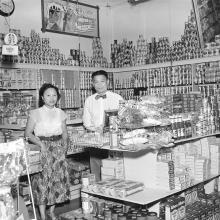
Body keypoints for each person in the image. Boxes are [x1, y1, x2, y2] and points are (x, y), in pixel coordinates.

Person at [25, 83, 70, 220]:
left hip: (58, 149)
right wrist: (40, 144)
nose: (51, 98)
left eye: (54, 95)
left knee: (57, 181)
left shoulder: (61, 113)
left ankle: (52, 211)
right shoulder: (35, 113)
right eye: (48, 95)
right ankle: (43, 215)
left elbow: (65, 134)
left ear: (58, 97)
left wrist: (65, 148)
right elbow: (28, 134)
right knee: (42, 182)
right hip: (42, 148)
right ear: (42, 98)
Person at [83, 70, 123, 181]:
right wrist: (95, 129)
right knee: (96, 172)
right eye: (96, 82)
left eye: (102, 81)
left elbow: (123, 119)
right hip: (96, 141)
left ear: (108, 82)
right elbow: (86, 122)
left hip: (115, 140)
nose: (99, 85)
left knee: (114, 172)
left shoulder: (117, 98)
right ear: (92, 84)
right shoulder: (89, 100)